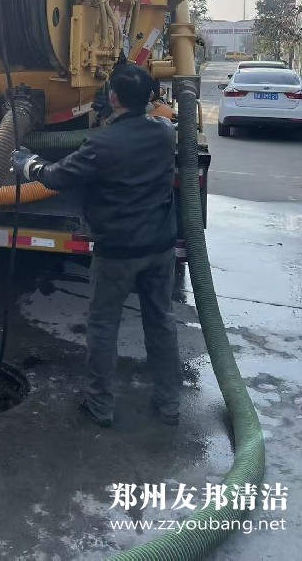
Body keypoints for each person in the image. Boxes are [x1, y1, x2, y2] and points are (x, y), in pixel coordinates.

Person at [11, 63, 182, 428]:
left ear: (113, 97)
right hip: (160, 246)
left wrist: (28, 163)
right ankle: (169, 404)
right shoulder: (165, 132)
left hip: (117, 250)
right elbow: (155, 122)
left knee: (104, 325)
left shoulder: (103, 144)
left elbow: (57, 177)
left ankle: (100, 405)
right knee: (162, 322)